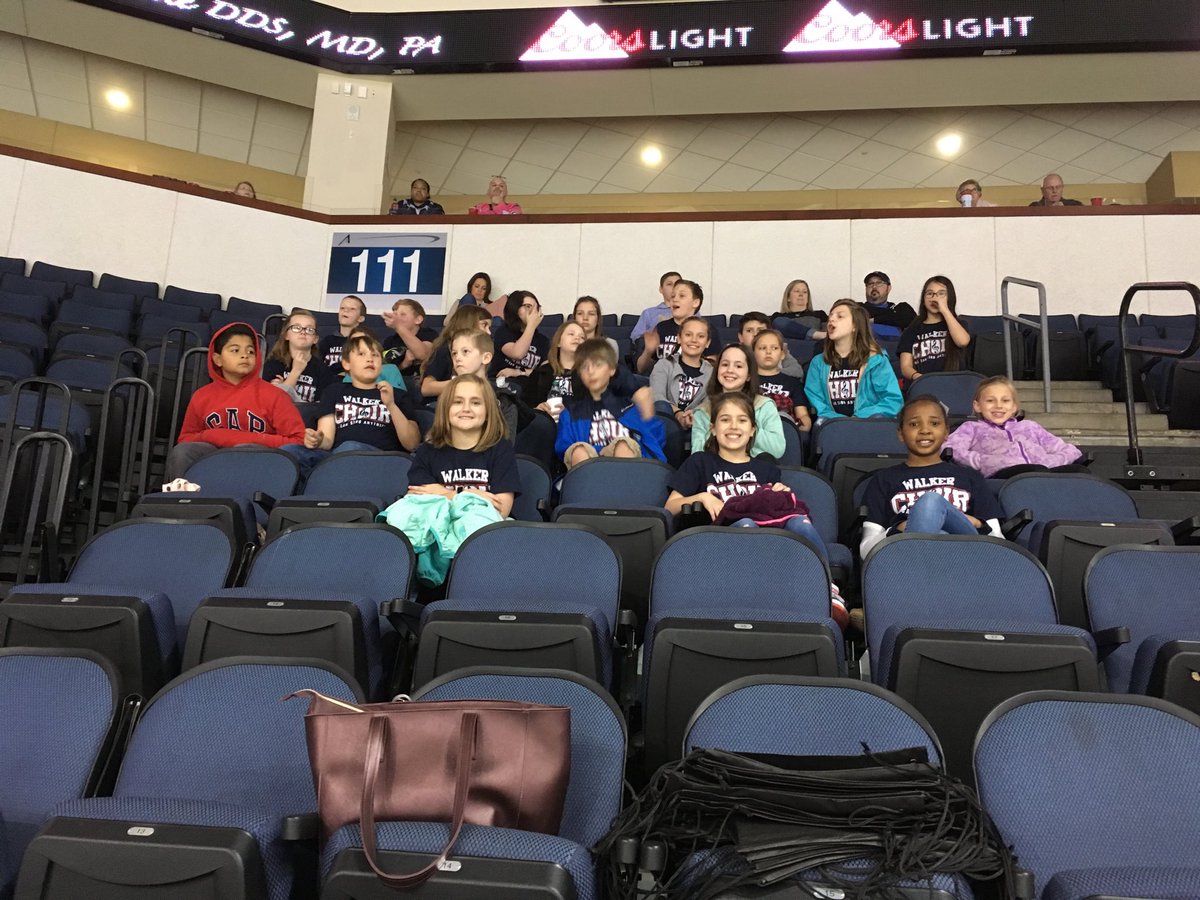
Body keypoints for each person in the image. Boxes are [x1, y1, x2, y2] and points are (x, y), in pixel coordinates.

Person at [860, 395, 1004, 558]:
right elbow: (866, 551)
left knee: (931, 502)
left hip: (968, 558)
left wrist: (976, 522)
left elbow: (997, 541)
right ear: (900, 433)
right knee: (938, 528)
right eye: (914, 424)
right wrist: (900, 528)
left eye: (934, 423)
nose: (925, 430)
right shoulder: (884, 480)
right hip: (904, 561)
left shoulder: (970, 476)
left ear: (946, 432)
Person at [167, 322, 305, 478]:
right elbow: (185, 439)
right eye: (235, 350)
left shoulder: (276, 395)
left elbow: (298, 441)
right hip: (211, 461)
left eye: (251, 351)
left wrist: (238, 439)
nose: (245, 355)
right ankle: (183, 499)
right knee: (183, 452)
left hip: (257, 466)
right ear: (217, 359)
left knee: (246, 449)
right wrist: (210, 437)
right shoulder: (201, 396)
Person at [406, 374, 522, 518]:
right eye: (458, 402)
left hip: (484, 534)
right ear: (445, 409)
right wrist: (467, 495)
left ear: (487, 412)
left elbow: (501, 510)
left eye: (475, 403)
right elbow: (419, 502)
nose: (466, 408)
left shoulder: (501, 449)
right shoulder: (427, 450)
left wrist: (443, 494)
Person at [303, 331, 420, 457]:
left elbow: (412, 444)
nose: (370, 359)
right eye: (361, 354)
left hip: (383, 460)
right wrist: (317, 440)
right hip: (338, 457)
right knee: (292, 451)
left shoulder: (397, 395)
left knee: (350, 447)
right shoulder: (334, 391)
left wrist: (391, 405)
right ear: (346, 363)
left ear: (381, 365)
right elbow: (327, 440)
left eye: (375, 355)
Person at [942, 376, 1086, 478]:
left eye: (1005, 401)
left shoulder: (1030, 427)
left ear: (1014, 407)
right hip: (1003, 476)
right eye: (990, 400)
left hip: (1043, 472)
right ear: (977, 406)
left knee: (1080, 471)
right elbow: (949, 449)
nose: (998, 405)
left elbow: (1069, 450)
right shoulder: (971, 428)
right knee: (1030, 471)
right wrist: (982, 461)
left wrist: (1050, 462)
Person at [556, 338, 664, 468]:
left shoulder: (630, 407)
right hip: (589, 472)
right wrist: (602, 452)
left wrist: (648, 414)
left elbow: (657, 443)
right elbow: (563, 451)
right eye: (585, 367)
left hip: (633, 474)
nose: (591, 371)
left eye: (598, 365)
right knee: (579, 451)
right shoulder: (570, 413)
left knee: (623, 446)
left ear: (612, 369)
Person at [804, 298, 903, 422]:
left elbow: (892, 399)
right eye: (831, 316)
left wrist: (859, 418)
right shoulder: (818, 362)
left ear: (855, 325)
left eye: (840, 316)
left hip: (868, 423)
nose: (832, 319)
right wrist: (839, 420)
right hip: (833, 425)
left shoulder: (876, 359)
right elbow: (817, 401)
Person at [690, 343, 785, 459]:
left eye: (738, 366)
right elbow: (697, 454)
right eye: (725, 364)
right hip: (716, 472)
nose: (730, 370)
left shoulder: (764, 406)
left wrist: (746, 428)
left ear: (749, 375)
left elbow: (777, 449)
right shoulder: (703, 410)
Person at [898, 275, 971, 382]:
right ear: (923, 299)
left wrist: (944, 310)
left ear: (949, 297)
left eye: (941, 294)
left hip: (954, 384)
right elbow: (905, 366)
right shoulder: (911, 330)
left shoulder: (959, 324)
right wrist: (919, 378)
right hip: (923, 384)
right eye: (930, 294)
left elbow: (962, 342)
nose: (935, 298)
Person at [650, 316, 712, 429]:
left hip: (696, 424)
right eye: (688, 335)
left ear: (707, 342)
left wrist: (692, 415)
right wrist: (678, 414)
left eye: (701, 336)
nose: (694, 340)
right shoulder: (664, 364)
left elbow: (709, 403)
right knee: (661, 407)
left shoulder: (712, 373)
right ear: (679, 338)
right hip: (665, 423)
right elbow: (657, 396)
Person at [262, 309, 333, 404]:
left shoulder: (323, 370)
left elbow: (319, 408)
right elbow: (273, 403)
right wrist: (296, 371)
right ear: (286, 335)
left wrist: (284, 386)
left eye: (309, 329)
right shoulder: (273, 364)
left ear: (315, 339)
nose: (303, 332)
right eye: (296, 328)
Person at [421, 306, 492, 400]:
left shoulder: (483, 350)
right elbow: (426, 388)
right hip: (439, 404)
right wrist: (462, 383)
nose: (489, 332)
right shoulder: (444, 350)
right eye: (484, 325)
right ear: (469, 323)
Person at [636, 279, 703, 374]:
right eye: (673, 296)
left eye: (682, 296)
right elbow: (641, 369)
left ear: (695, 303)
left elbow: (711, 367)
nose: (675, 299)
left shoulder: (705, 329)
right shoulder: (661, 327)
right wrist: (648, 351)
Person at [524, 321, 586, 418]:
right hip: (545, 425)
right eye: (571, 334)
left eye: (582, 337)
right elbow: (525, 405)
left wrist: (568, 413)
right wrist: (537, 409)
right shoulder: (541, 372)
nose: (577, 338)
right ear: (558, 342)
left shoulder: (590, 375)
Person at [752, 329, 811, 431]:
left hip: (785, 429)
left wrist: (800, 427)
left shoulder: (793, 382)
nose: (768, 352)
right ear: (753, 353)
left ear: (782, 354)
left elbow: (803, 415)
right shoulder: (747, 381)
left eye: (774, 348)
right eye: (762, 348)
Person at [490, 290, 548, 377]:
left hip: (530, 387)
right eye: (528, 306)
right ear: (515, 309)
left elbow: (545, 372)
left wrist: (520, 372)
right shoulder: (503, 332)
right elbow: (518, 353)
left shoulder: (543, 341)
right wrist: (531, 325)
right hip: (502, 385)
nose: (533, 312)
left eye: (537, 308)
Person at [381, 297, 436, 380]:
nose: (397, 318)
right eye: (395, 314)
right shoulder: (390, 341)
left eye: (402, 314)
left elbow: (423, 354)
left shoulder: (429, 334)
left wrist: (398, 326)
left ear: (418, 319)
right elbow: (385, 373)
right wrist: (404, 364)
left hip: (422, 383)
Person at [739, 312, 804, 378]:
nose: (755, 334)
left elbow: (797, 372)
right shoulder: (732, 352)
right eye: (749, 330)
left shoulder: (779, 349)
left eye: (760, 330)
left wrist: (770, 372)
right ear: (740, 337)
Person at [862, 271, 916, 338]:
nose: (874, 286)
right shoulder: (857, 309)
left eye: (879, 283)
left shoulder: (901, 310)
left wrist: (872, 320)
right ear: (866, 289)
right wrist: (891, 315)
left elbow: (915, 322)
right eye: (870, 283)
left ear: (889, 288)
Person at [320, 295, 367, 372]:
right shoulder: (327, 341)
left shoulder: (363, 342)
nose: (345, 311)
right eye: (342, 308)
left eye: (352, 309)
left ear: (360, 318)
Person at [631, 271, 681, 341]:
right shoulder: (649, 313)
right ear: (661, 289)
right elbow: (635, 337)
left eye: (677, 283)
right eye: (669, 284)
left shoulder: (691, 311)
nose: (674, 287)